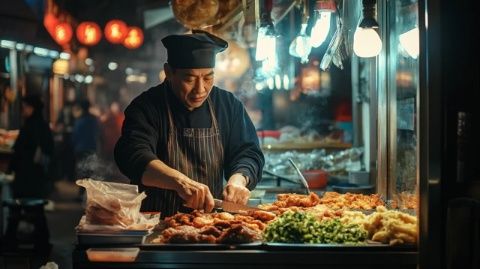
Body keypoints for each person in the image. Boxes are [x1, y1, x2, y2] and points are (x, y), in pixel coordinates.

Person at [114, 30, 264, 217]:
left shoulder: (228, 105)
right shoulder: (147, 106)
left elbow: (248, 152)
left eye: (208, 78)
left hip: (210, 224)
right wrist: (179, 182)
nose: (200, 89)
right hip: (155, 224)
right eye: (189, 79)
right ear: (169, 73)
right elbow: (133, 154)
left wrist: (238, 180)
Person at [9, 95, 54, 198]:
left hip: (27, 172)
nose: (23, 110)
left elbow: (20, 148)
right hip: (38, 173)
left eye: (24, 107)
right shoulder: (42, 125)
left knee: (25, 201)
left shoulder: (30, 126)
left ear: (31, 108)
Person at [72, 99, 100, 182]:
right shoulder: (94, 119)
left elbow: (75, 136)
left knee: (82, 170)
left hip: (80, 149)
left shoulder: (79, 120)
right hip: (92, 148)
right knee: (90, 170)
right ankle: (87, 190)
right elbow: (98, 133)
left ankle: (82, 191)